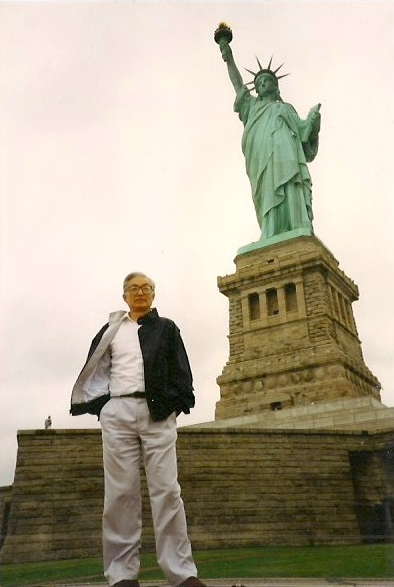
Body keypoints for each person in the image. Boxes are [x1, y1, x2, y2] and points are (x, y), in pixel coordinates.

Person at [70, 272, 205, 587]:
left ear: (154, 294)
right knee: (120, 495)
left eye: (146, 288)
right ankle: (121, 575)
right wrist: (104, 408)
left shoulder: (167, 328)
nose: (140, 293)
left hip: (157, 413)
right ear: (124, 296)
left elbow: (181, 371)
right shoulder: (111, 330)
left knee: (167, 492)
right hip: (118, 411)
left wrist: (174, 406)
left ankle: (182, 573)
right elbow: (96, 369)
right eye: (134, 288)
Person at [219, 40, 321, 240]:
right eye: (259, 83)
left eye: (267, 81)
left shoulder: (286, 108)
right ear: (256, 89)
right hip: (261, 157)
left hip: (287, 154)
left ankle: (297, 224)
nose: (263, 84)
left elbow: (304, 134)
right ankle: (271, 230)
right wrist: (228, 58)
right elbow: (238, 85)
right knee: (268, 191)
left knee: (291, 182)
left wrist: (313, 122)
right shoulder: (252, 107)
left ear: (275, 86)